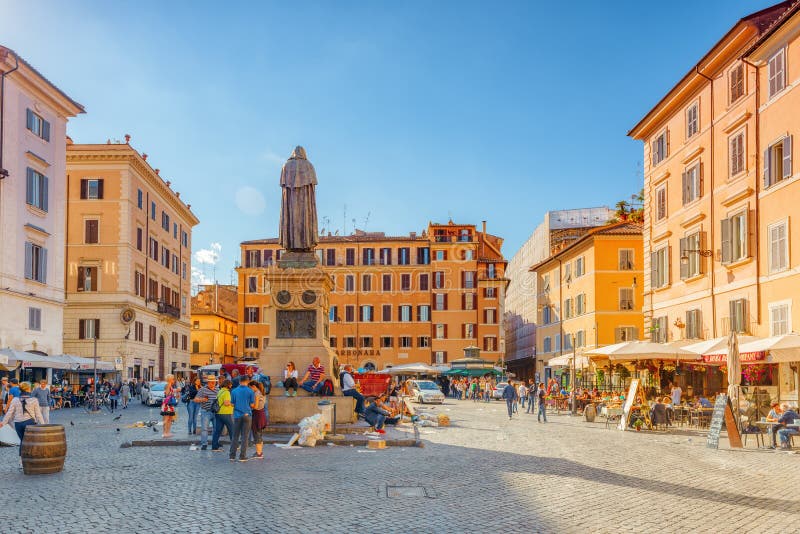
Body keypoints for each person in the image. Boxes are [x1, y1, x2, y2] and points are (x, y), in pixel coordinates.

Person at [0, 382, 44, 465]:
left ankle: (21, 461)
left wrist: (3, 422)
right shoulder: (34, 400)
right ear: (28, 389)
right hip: (30, 422)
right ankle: (31, 459)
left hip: (18, 424)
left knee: (22, 441)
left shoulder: (15, 399)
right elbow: (38, 414)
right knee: (31, 442)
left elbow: (10, 413)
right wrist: (43, 425)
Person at [229, 376, 255, 462]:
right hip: (247, 415)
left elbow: (232, 404)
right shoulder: (250, 391)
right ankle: (242, 456)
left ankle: (232, 456)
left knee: (235, 436)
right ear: (247, 382)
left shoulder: (234, 391)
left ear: (240, 382)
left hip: (237, 415)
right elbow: (252, 405)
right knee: (245, 437)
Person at [194, 375, 218, 450]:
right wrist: (203, 399)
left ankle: (215, 443)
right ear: (208, 382)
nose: (213, 383)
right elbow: (195, 399)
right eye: (211, 382)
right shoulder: (202, 389)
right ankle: (204, 444)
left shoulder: (218, 389)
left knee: (216, 429)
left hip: (216, 412)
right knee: (204, 429)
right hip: (206, 411)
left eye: (214, 382)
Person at [212, 379, 234, 452]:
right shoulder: (227, 392)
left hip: (218, 413)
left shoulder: (220, 391)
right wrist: (233, 404)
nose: (231, 386)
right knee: (232, 429)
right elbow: (226, 403)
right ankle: (234, 445)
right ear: (228, 385)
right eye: (230, 384)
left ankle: (214, 446)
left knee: (217, 430)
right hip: (226, 413)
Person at [249, 380, 268, 460]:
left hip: (257, 415)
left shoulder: (256, 394)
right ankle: (260, 452)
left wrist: (250, 405)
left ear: (253, 386)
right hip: (261, 414)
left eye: (250, 388)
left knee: (256, 435)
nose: (250, 389)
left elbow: (256, 406)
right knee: (259, 434)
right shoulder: (261, 392)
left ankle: (259, 453)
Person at [160, 374, 178, 438]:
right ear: (170, 379)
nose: (174, 380)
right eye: (173, 379)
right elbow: (167, 394)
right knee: (166, 419)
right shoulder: (168, 385)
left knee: (170, 419)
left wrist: (175, 391)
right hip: (167, 405)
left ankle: (168, 432)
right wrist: (174, 392)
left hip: (170, 405)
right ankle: (164, 432)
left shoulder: (170, 386)